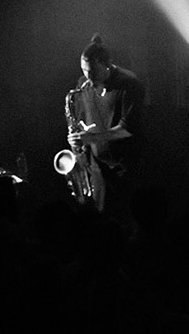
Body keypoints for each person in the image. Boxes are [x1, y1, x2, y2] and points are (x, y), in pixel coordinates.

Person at [63, 34, 147, 214]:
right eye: (83, 70)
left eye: (92, 71)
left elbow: (128, 128)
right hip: (96, 167)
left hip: (123, 167)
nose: (87, 76)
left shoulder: (129, 84)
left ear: (107, 65)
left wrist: (91, 138)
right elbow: (81, 120)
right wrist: (77, 139)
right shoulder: (83, 84)